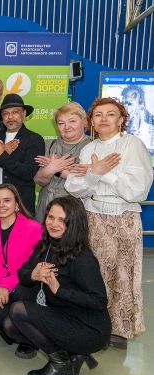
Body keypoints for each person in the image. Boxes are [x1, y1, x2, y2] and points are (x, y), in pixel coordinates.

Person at [65, 97, 153, 349]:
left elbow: (137, 191)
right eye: (98, 115)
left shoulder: (132, 144)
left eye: (110, 114)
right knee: (93, 274)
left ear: (122, 119)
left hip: (122, 217)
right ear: (91, 121)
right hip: (92, 216)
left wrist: (105, 172)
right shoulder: (87, 148)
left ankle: (119, 330)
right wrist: (94, 174)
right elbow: (74, 187)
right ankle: (94, 324)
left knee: (122, 274)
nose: (104, 119)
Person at [4, 196, 111, 375]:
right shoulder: (46, 245)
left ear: (74, 224)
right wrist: (33, 275)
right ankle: (72, 353)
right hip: (62, 313)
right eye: (51, 217)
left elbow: (99, 301)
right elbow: (23, 273)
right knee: (10, 326)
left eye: (62, 220)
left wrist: (58, 289)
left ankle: (60, 360)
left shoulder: (83, 258)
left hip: (88, 327)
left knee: (18, 310)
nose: (54, 224)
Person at [0, 183, 43, 358]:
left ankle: (28, 341)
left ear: (16, 204)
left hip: (25, 288)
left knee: (12, 321)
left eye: (7, 200)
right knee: (1, 320)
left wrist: (6, 285)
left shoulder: (33, 228)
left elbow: (32, 265)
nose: (2, 205)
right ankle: (21, 332)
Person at [0, 94, 45, 216]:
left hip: (21, 204)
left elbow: (28, 173)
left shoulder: (34, 139)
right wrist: (0, 156)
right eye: (6, 113)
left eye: (15, 112)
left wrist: (2, 155)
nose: (10, 117)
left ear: (24, 114)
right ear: (1, 117)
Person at [33, 102, 90, 222]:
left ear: (84, 122)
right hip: (46, 208)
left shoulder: (92, 146)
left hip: (73, 210)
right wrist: (50, 169)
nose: (67, 126)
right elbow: (39, 180)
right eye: (61, 123)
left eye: (72, 121)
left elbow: (84, 180)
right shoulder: (50, 144)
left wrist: (54, 168)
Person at [122, 85, 154, 153]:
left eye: (130, 104)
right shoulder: (116, 131)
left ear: (141, 105)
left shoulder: (150, 132)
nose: (125, 107)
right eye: (123, 103)